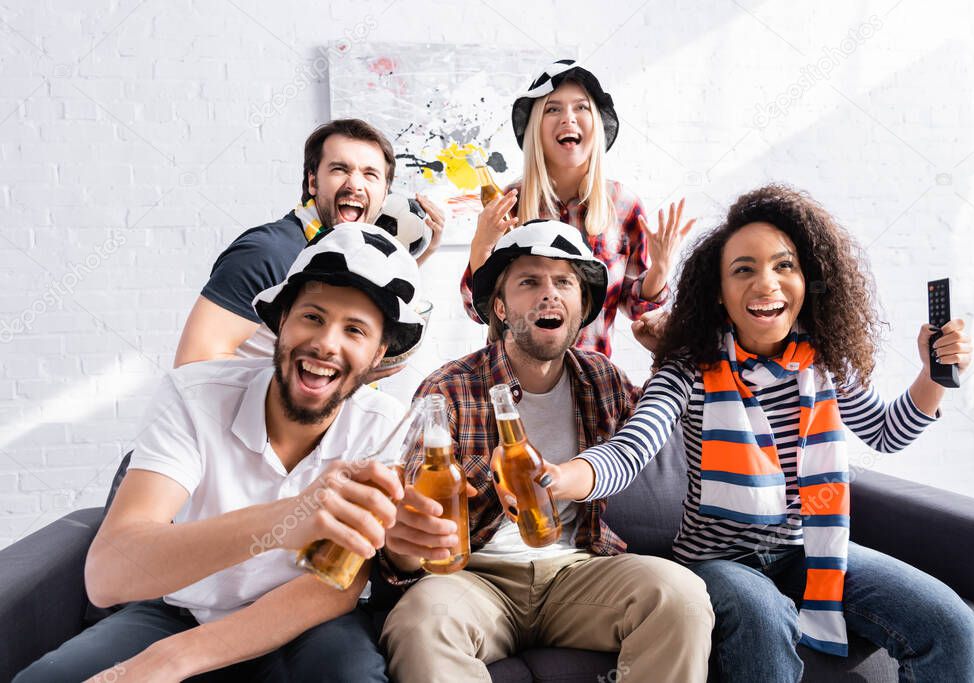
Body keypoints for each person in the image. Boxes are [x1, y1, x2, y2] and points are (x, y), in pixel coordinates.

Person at [548, 185, 974, 681]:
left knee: (949, 623)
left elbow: (887, 432)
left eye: (784, 266)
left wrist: (933, 372)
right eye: (744, 269)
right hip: (716, 561)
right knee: (761, 615)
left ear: (807, 279)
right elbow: (633, 447)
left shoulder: (821, 363)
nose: (766, 283)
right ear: (719, 290)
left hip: (809, 549)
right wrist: (567, 477)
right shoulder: (689, 367)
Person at [16, 224, 427, 682]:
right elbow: (108, 575)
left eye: (355, 330)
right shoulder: (194, 396)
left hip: (303, 623)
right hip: (181, 610)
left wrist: (174, 659)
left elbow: (336, 586)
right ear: (281, 323)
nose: (327, 343)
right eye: (312, 317)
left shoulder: (386, 427)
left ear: (378, 354)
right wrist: (288, 518)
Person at [378, 220, 714, 682]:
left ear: (583, 305)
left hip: (576, 573)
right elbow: (412, 516)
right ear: (499, 306)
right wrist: (408, 533)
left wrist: (664, 354)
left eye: (564, 282)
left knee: (682, 596)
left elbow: (674, 428)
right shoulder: (449, 388)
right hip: (475, 578)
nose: (549, 294)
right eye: (529, 282)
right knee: (419, 624)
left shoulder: (603, 379)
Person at [460, 59, 693, 358]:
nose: (568, 118)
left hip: (592, 386)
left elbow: (637, 309)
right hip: (515, 381)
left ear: (596, 122)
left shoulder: (624, 205)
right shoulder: (510, 201)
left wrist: (660, 268)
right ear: (535, 128)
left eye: (581, 107)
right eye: (553, 108)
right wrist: (481, 245)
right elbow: (478, 309)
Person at [174, 118, 446, 368]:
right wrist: (330, 378)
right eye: (340, 169)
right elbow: (194, 364)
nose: (355, 185)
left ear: (385, 194)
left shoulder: (350, 256)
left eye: (370, 174)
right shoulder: (267, 253)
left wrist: (418, 257)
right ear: (313, 182)